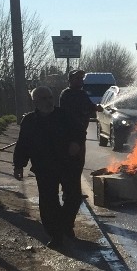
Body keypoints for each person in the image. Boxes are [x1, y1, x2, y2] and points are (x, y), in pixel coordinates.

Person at [13, 86, 72, 248]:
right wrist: (19, 165)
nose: (49, 102)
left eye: (50, 97)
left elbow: (78, 132)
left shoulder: (63, 116)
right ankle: (55, 235)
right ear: (35, 102)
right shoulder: (30, 121)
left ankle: (66, 225)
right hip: (44, 167)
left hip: (66, 165)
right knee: (48, 202)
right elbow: (23, 145)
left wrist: (75, 144)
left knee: (72, 197)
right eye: (44, 99)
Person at [58, 69, 97, 238]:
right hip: (70, 138)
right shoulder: (67, 95)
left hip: (80, 136)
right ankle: (69, 193)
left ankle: (72, 191)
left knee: (79, 165)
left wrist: (96, 108)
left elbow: (89, 107)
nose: (80, 80)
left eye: (81, 78)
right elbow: (71, 114)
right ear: (70, 80)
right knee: (71, 166)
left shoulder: (81, 94)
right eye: (77, 78)